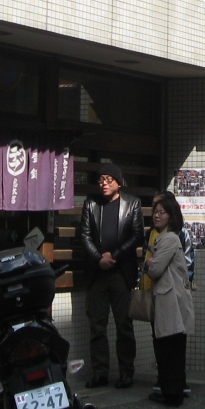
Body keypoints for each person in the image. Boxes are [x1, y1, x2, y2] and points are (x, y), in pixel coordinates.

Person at [79, 163, 143, 388]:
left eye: (108, 180)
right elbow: (84, 236)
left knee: (124, 324)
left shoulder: (132, 204)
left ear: (119, 182)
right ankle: (100, 372)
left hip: (121, 272)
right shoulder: (90, 204)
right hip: (96, 273)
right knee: (97, 326)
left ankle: (126, 372)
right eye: (100, 180)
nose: (103, 184)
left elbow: (137, 235)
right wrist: (98, 258)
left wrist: (114, 255)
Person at [144, 195, 195, 407]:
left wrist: (148, 264)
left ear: (171, 216)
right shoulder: (162, 237)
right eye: (155, 212)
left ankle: (172, 393)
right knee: (169, 347)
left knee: (170, 348)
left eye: (162, 212)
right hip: (169, 298)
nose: (157, 216)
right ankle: (171, 390)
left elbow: (156, 269)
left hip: (171, 299)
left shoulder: (169, 239)